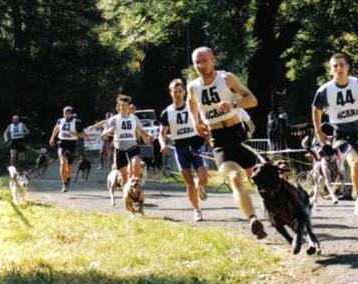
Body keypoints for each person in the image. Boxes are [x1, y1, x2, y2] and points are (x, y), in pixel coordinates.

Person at [187, 46, 267, 238]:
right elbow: (191, 103)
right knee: (234, 178)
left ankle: (273, 208)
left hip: (238, 135)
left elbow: (252, 100)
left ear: (213, 60)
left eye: (204, 60)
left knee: (257, 180)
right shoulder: (193, 86)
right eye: (197, 62)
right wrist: (195, 123)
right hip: (218, 140)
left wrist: (233, 104)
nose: (200, 65)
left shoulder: (226, 79)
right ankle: (253, 220)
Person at [312, 53, 358, 221]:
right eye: (335, 66)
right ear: (330, 70)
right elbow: (316, 108)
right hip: (342, 134)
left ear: (347, 67)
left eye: (341, 65)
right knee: (355, 163)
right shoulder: (325, 89)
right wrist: (318, 129)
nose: (338, 69)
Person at [159, 78, 209, 222]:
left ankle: (201, 186)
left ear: (184, 92)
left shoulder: (192, 106)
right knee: (188, 183)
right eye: (175, 92)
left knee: (203, 179)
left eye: (180, 91)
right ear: (170, 93)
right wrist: (163, 144)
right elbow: (161, 134)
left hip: (196, 146)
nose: (177, 94)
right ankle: (196, 210)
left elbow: (203, 124)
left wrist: (208, 138)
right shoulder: (166, 112)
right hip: (180, 149)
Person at [102, 95, 153, 185]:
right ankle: (126, 192)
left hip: (132, 147)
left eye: (126, 105)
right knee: (124, 178)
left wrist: (148, 135)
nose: (124, 107)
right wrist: (106, 133)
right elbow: (104, 134)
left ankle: (136, 187)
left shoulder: (134, 118)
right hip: (120, 150)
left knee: (136, 163)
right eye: (122, 105)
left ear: (128, 106)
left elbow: (140, 130)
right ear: (118, 107)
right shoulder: (114, 119)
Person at [48, 106, 84, 192]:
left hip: (72, 144)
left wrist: (74, 134)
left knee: (69, 166)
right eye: (65, 113)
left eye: (68, 113)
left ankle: (68, 179)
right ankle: (64, 184)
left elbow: (82, 135)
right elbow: (56, 128)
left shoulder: (77, 122)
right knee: (62, 163)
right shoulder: (60, 121)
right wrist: (52, 138)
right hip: (62, 143)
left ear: (71, 114)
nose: (66, 115)